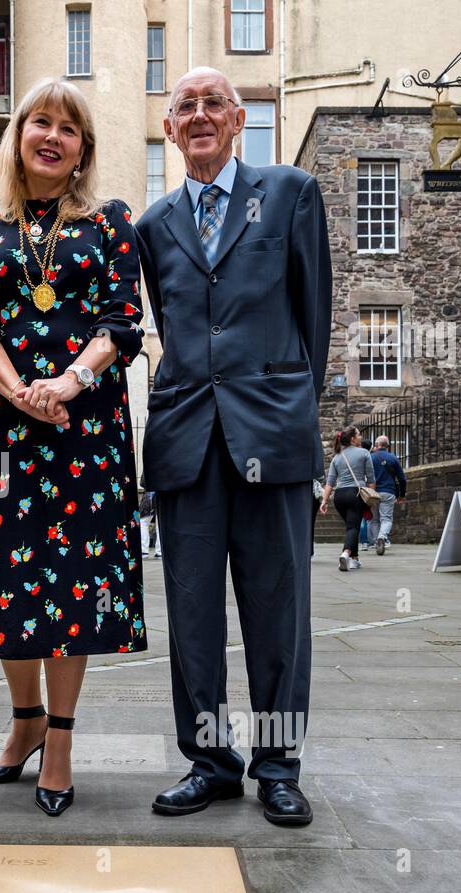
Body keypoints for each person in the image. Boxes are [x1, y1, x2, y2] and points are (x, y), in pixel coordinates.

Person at [136, 67, 331, 827]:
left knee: (278, 612)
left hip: (273, 434)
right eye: (184, 105)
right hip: (187, 442)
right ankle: (210, 762)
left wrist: (292, 412)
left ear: (239, 116)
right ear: (169, 129)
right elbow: (177, 326)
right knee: (192, 615)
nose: (199, 114)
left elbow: (313, 321)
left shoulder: (289, 193)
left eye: (213, 101)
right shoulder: (152, 227)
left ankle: (278, 764)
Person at [0, 77, 147, 818]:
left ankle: (58, 740)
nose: (53, 136)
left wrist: (65, 383)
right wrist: (21, 393)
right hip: (7, 429)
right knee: (8, 581)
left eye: (69, 127)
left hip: (86, 432)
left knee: (72, 583)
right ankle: (23, 719)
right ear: (19, 134)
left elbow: (122, 321)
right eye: (40, 121)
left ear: (83, 149)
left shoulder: (110, 222)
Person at [320, 426, 375, 572]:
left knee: (352, 526)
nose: (360, 437)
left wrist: (324, 501)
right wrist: (371, 499)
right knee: (353, 527)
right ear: (352, 438)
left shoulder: (337, 457)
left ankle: (355, 559)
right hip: (356, 494)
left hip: (339, 496)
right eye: (358, 435)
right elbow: (371, 479)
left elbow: (330, 482)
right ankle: (346, 554)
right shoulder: (364, 453)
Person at [370, 434, 407, 554]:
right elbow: (402, 479)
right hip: (388, 491)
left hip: (373, 492)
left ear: (376, 445)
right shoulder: (393, 458)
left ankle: (377, 542)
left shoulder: (370, 457)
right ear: (387, 446)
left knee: (374, 520)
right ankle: (382, 537)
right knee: (386, 519)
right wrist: (402, 495)